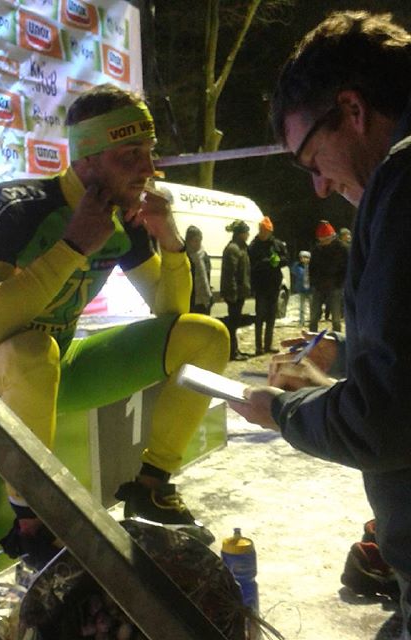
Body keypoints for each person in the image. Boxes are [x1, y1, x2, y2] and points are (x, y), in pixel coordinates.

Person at [0, 83, 230, 569]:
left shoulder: (126, 217)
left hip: (55, 365)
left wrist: (167, 240)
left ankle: (150, 487)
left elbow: (173, 316)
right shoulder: (17, 202)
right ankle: (31, 520)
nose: (147, 168)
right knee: (34, 352)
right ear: (86, 159)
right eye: (129, 155)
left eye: (149, 152)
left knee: (206, 335)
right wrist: (72, 247)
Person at [228, 11, 411, 638]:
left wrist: (283, 409)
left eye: (312, 158)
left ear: (353, 109)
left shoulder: (403, 183)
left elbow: (383, 424)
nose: (320, 187)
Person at [247, 216, 288, 355]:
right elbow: (252, 264)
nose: (263, 233)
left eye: (265, 231)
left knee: (271, 317)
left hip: (274, 285)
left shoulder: (277, 244)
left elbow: (286, 259)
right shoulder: (254, 245)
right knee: (259, 317)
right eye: (261, 230)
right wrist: (267, 262)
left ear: (270, 231)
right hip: (260, 286)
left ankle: (268, 345)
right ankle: (258, 347)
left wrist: (279, 260)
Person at [308, 220, 348, 333]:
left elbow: (347, 268)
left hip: (335, 286)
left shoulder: (343, 249)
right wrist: (313, 282)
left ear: (331, 237)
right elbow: (312, 268)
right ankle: (312, 340)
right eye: (320, 241)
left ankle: (337, 340)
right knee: (314, 316)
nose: (322, 243)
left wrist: (340, 283)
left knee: (336, 318)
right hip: (319, 286)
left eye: (325, 240)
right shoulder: (317, 249)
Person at [220, 220, 251, 361]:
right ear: (240, 234)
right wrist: (232, 293)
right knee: (232, 324)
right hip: (234, 294)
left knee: (235, 322)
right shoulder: (233, 249)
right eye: (246, 232)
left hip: (240, 292)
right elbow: (230, 273)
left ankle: (234, 349)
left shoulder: (242, 248)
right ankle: (232, 352)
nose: (248, 235)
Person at [185, 225, 213, 314]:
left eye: (200, 240)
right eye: (195, 241)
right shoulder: (184, 256)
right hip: (190, 301)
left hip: (204, 301)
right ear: (188, 241)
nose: (198, 243)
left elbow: (207, 278)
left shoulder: (204, 256)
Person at [290, 250, 311, 327]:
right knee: (302, 307)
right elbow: (293, 274)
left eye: (306, 257)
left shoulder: (312, 266)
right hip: (301, 288)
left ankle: (312, 321)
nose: (304, 259)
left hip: (311, 289)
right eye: (302, 257)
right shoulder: (297, 266)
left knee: (312, 307)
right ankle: (302, 321)